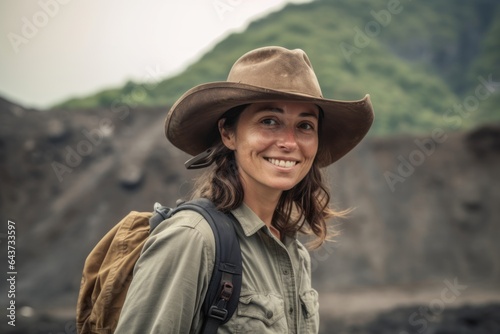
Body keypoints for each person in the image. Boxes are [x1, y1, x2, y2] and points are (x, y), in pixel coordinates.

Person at [115, 46, 374, 333]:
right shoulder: (192, 240)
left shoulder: (293, 253)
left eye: (304, 125)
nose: (289, 142)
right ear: (228, 133)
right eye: (269, 121)